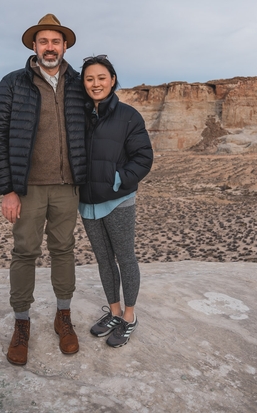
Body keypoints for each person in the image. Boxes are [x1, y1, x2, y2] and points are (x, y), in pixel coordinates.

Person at [0, 13, 87, 366]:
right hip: (27, 187)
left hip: (66, 186)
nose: (50, 47)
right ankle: (21, 323)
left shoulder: (78, 83)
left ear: (65, 46)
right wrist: (8, 189)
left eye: (56, 41)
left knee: (64, 250)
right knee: (25, 252)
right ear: (34, 46)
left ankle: (63, 316)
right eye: (43, 41)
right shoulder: (14, 83)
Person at [79, 55, 153, 347]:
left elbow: (143, 157)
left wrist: (118, 179)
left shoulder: (128, 115)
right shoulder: (78, 116)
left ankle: (129, 316)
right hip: (87, 202)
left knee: (125, 257)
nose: (95, 83)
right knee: (103, 259)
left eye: (101, 78)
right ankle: (113, 311)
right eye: (89, 79)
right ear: (83, 83)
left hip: (118, 200)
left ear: (112, 80)